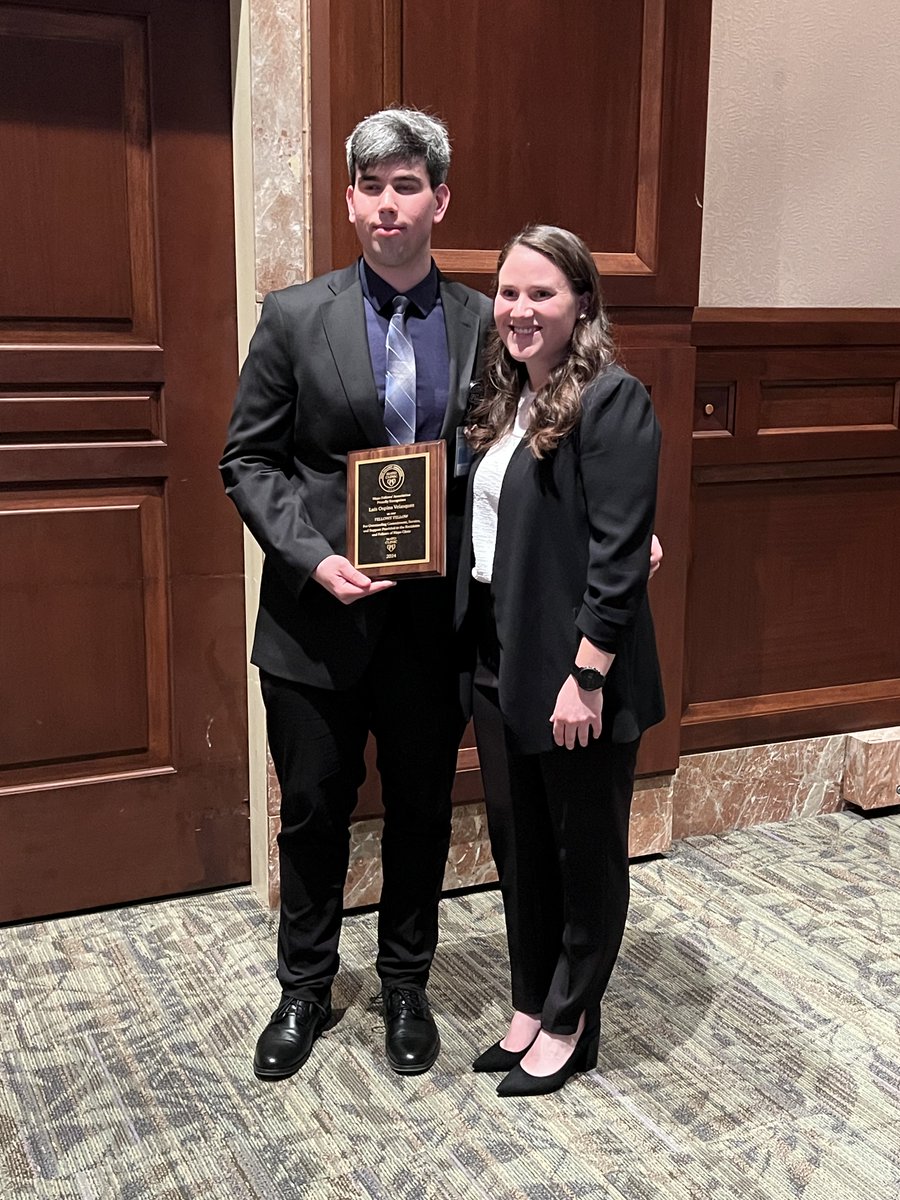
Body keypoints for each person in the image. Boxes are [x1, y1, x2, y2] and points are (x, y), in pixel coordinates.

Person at [220, 108, 493, 1080]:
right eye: (371, 187)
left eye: (407, 184)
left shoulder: (482, 322)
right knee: (312, 813)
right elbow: (247, 459)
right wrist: (311, 556)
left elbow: (516, 457)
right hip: (314, 622)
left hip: (430, 627)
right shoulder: (295, 317)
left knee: (421, 809)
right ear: (349, 201)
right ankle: (304, 987)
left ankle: (407, 982)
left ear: (438, 199)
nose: (389, 204)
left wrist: (618, 527)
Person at [455, 225, 665, 1097]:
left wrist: (587, 676)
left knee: (583, 855)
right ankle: (528, 1002)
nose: (520, 309)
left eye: (542, 293)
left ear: (581, 301)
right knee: (521, 848)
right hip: (500, 665)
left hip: (574, 679)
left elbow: (620, 556)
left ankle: (572, 1017)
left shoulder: (612, 402)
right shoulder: (504, 401)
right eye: (509, 292)